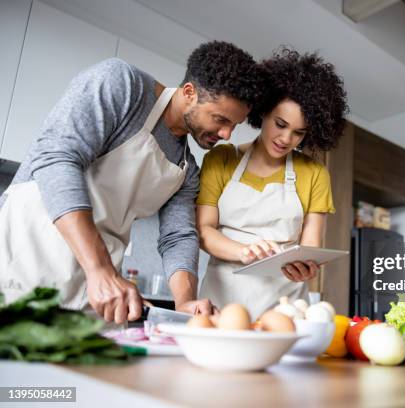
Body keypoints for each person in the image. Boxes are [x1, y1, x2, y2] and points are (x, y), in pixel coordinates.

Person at [0, 41, 263, 323]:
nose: (226, 134)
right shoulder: (123, 86)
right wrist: (99, 268)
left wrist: (185, 301)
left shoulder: (186, 168)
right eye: (220, 119)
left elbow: (178, 236)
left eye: (234, 125)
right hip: (25, 264)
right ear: (189, 93)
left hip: (95, 296)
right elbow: (57, 158)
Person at [196, 48, 348, 318]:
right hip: (220, 306)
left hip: (284, 309)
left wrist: (307, 267)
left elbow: (309, 247)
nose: (286, 139)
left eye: (298, 133)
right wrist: (244, 251)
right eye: (280, 124)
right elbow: (204, 231)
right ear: (263, 112)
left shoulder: (314, 173)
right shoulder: (222, 159)